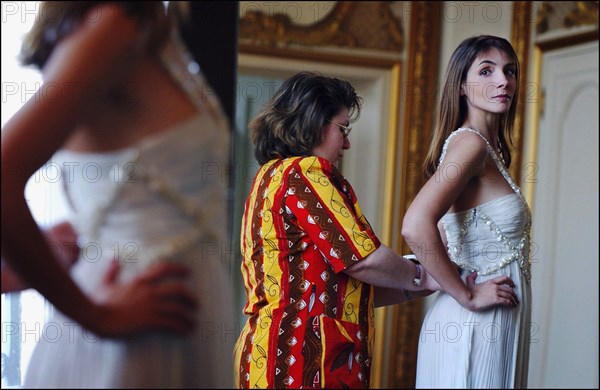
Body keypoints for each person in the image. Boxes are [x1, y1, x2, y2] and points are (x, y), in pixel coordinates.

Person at [233, 71, 518, 389]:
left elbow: (344, 286)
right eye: (342, 129)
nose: (347, 142)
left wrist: (429, 282)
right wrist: (428, 277)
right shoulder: (304, 172)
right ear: (313, 122)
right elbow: (363, 260)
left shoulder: (272, 176)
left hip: (279, 357)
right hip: (301, 363)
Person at [1, 2, 235, 388]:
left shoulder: (151, 32)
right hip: (137, 335)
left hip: (175, 322)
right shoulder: (111, 25)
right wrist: (97, 316)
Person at [402, 35, 532, 388]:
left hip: (490, 321)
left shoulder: (485, 149)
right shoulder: (470, 144)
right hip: (475, 323)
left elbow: (446, 237)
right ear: (461, 86)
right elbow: (415, 225)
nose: (503, 80)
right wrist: (468, 295)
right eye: (486, 71)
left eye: (509, 71)